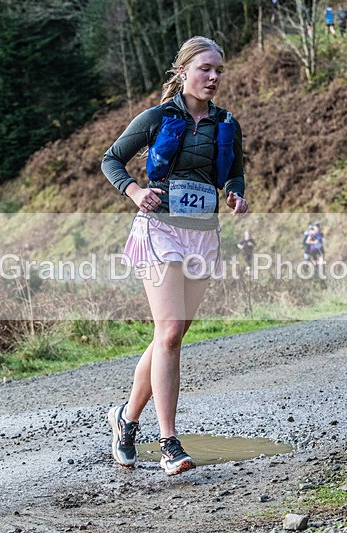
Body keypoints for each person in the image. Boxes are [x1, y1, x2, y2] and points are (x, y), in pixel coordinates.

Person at [101, 36, 248, 476]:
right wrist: (135, 190)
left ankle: (126, 419)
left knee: (173, 334)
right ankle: (168, 442)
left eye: (219, 70)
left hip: (203, 235)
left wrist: (236, 194)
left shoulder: (228, 123)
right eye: (205, 68)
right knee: (167, 334)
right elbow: (111, 160)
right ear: (183, 71)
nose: (214, 77)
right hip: (160, 230)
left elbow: (235, 171)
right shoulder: (157, 117)